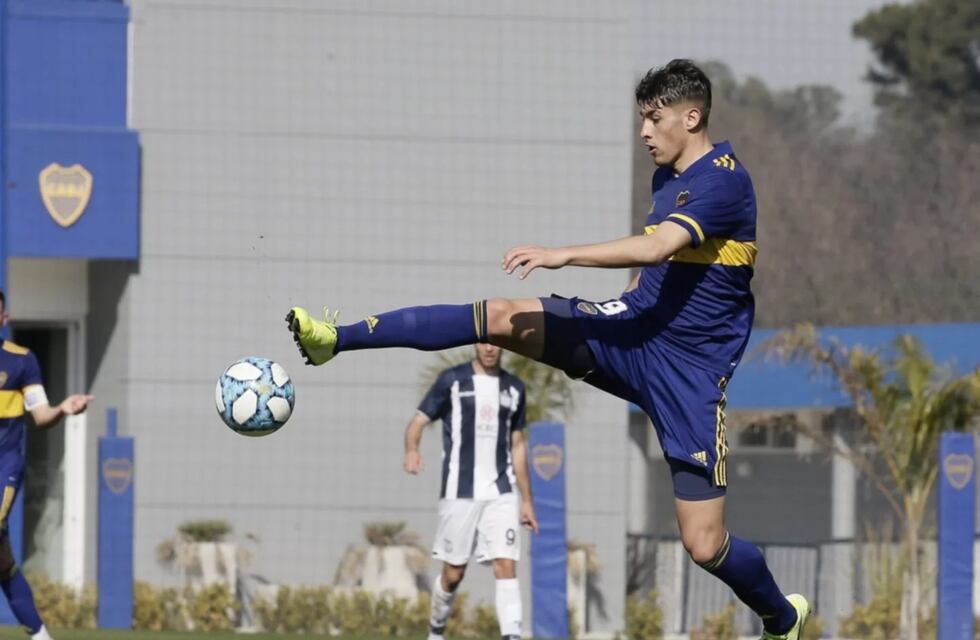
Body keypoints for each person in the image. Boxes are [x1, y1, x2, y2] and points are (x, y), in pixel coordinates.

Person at [286, 59, 810, 639]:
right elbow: (661, 270)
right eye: (641, 118)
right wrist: (618, 303)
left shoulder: (724, 180)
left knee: (704, 543)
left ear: (692, 117)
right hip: (629, 334)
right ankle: (336, 338)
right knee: (500, 316)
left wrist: (562, 254)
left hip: (688, 376)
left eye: (653, 119)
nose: (643, 132)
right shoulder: (668, 176)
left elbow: (659, 247)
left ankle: (782, 619)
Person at [404, 344, 537, 640]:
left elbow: (517, 445)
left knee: (506, 563)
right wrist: (412, 450)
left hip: (502, 491)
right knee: (453, 574)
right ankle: (437, 629)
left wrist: (527, 500)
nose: (490, 348)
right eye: (484, 342)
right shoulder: (451, 380)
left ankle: (512, 635)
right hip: (459, 491)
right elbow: (417, 421)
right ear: (476, 344)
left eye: (496, 342)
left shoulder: (514, 388)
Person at [0, 290, 93, 640]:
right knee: (4, 565)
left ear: (4, 319)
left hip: (4, 465)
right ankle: (41, 637)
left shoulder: (21, 361)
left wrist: (62, 409)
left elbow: (41, 415)